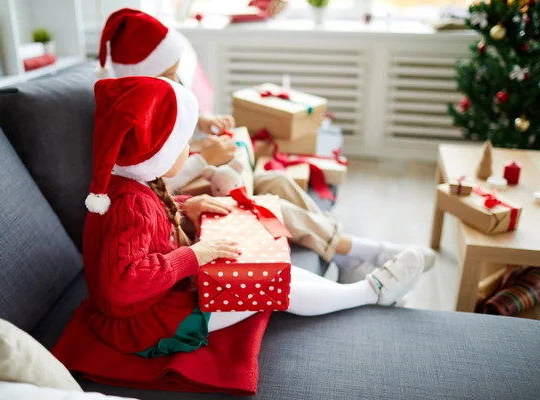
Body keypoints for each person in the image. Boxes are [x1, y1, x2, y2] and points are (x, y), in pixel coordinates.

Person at [83, 75, 426, 356]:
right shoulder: (130, 203)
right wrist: (195, 255)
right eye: (184, 143)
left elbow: (150, 222)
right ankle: (372, 291)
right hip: (148, 320)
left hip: (156, 299)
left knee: (277, 271)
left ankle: (367, 278)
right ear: (156, 153)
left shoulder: (130, 184)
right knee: (273, 284)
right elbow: (121, 284)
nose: (191, 149)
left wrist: (187, 205)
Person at [95, 8, 436, 279]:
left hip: (198, 184)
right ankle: (360, 250)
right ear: (139, 76)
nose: (175, 81)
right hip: (181, 199)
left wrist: (203, 123)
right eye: (166, 76)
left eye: (174, 73)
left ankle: (339, 248)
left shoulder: (147, 100)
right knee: (273, 205)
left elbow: (169, 124)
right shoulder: (121, 130)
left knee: (278, 180)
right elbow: (151, 186)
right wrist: (204, 159)